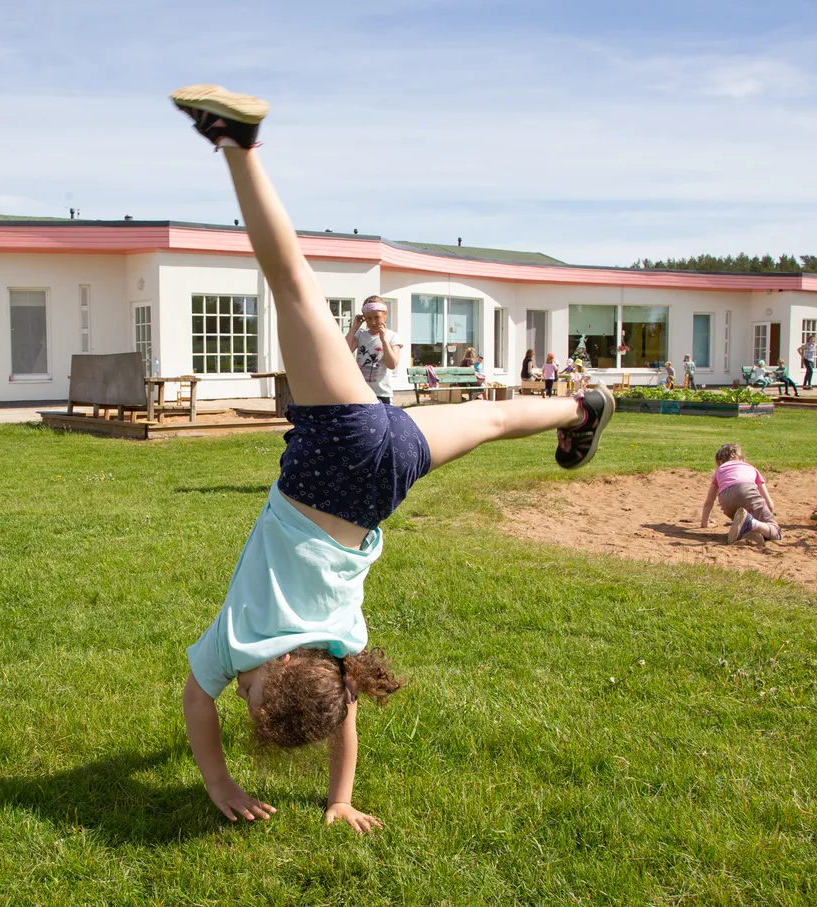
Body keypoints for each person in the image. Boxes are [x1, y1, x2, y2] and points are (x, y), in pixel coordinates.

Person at [170, 84, 614, 833]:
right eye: (248, 695)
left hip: (383, 481)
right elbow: (193, 697)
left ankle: (580, 409)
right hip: (334, 454)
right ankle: (237, 145)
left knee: (499, 415)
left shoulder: (344, 649)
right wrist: (215, 779)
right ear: (281, 666)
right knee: (292, 285)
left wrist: (341, 794)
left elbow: (342, 709)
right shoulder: (243, 643)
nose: (234, 692)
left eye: (240, 698)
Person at [700, 443, 782, 544]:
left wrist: (705, 523)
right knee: (775, 532)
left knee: (749, 523)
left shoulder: (720, 470)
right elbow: (769, 503)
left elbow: (709, 501)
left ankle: (749, 530)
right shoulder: (751, 468)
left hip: (726, 500)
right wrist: (768, 514)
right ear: (742, 458)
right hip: (746, 490)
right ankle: (751, 523)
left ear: (720, 461)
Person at [346, 297, 402, 405]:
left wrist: (384, 340)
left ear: (385, 315)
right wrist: (354, 328)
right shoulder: (361, 334)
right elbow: (343, 351)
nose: (373, 322)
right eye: (368, 318)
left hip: (382, 393)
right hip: (361, 392)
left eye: (377, 317)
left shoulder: (392, 337)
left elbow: (392, 364)